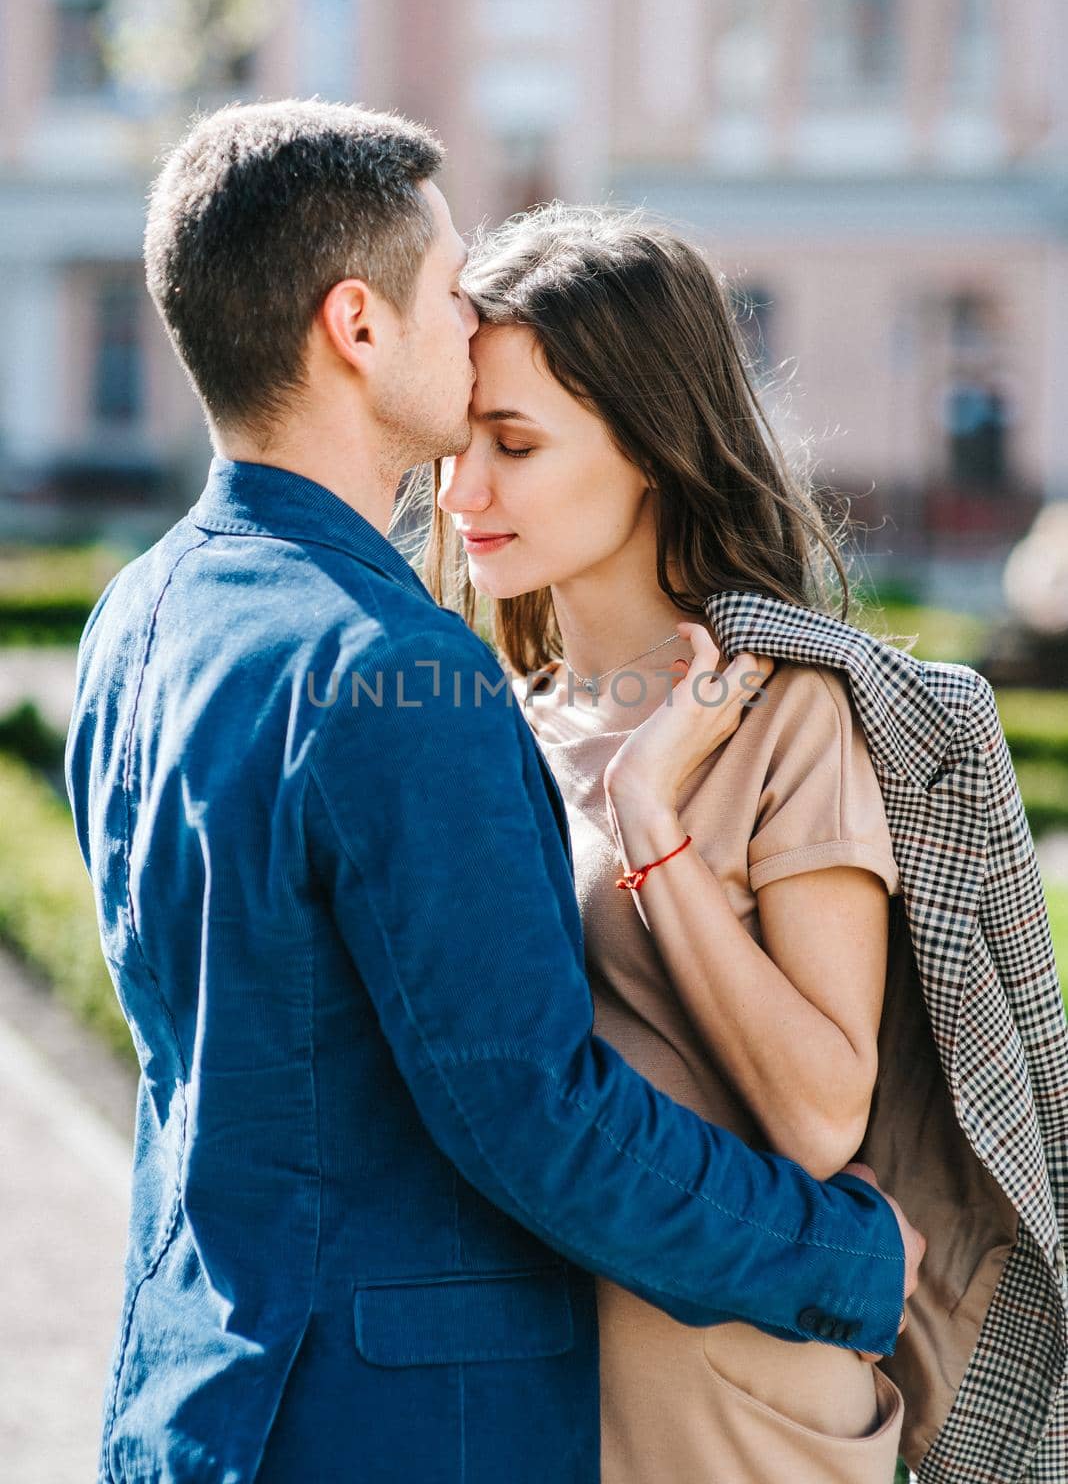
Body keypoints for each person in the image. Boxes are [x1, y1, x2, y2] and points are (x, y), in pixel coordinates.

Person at [64, 100, 922, 1484]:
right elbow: (535, 1114)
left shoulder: (136, 617)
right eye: (447, 289)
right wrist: (847, 1256)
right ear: (357, 326)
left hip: (195, 1386)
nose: (466, 325)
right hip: (388, 1428)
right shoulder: (402, 671)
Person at [429, 202, 914, 1482]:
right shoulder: (493, 723)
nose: (460, 490)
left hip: (740, 1415)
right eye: (453, 441)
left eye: (514, 444)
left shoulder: (785, 714)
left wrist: (651, 819)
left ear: (649, 445)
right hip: (534, 1404)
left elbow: (819, 1114)